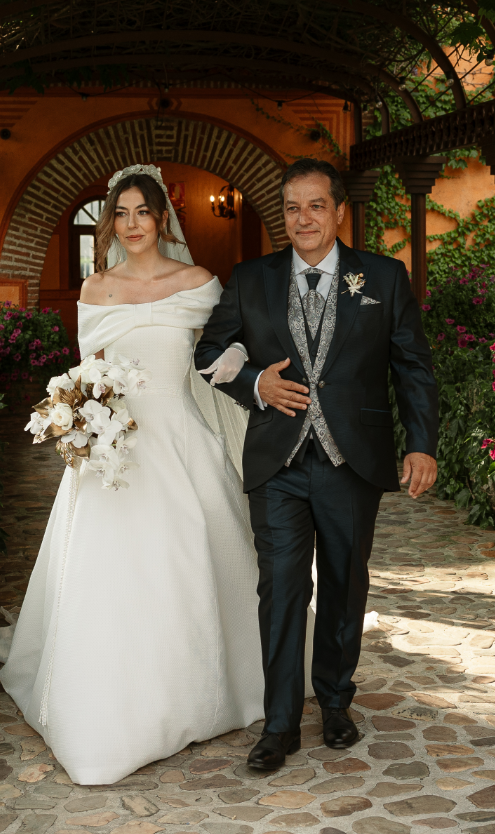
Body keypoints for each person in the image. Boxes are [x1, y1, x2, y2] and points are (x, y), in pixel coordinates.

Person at [0, 164, 261, 786]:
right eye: (122, 214)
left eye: (143, 212)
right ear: (112, 222)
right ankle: (110, 701)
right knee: (110, 574)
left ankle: (201, 688)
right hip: (117, 448)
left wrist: (243, 363)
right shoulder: (96, 289)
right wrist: (79, 416)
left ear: (163, 218)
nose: (132, 224)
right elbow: (91, 371)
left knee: (193, 557)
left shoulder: (198, 283)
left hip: (182, 441)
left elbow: (221, 354)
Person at [195, 157, 439, 773]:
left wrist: (422, 442)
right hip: (277, 461)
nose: (302, 219)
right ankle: (279, 725)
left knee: (342, 582)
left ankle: (334, 702)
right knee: (279, 588)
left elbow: (411, 365)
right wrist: (255, 384)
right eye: (291, 208)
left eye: (315, 206)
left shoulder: (383, 276)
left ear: (339, 211)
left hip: (350, 461)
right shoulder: (252, 278)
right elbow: (207, 353)